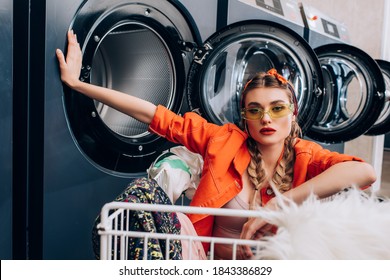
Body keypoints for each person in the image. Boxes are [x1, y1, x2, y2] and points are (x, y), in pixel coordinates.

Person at [56, 30, 377, 260]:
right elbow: (156, 115)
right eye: (255, 110)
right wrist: (80, 85)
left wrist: (280, 202)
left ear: (293, 115)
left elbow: (364, 173)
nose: (266, 118)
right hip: (200, 261)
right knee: (143, 197)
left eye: (277, 108)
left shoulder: (306, 157)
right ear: (245, 118)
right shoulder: (222, 140)